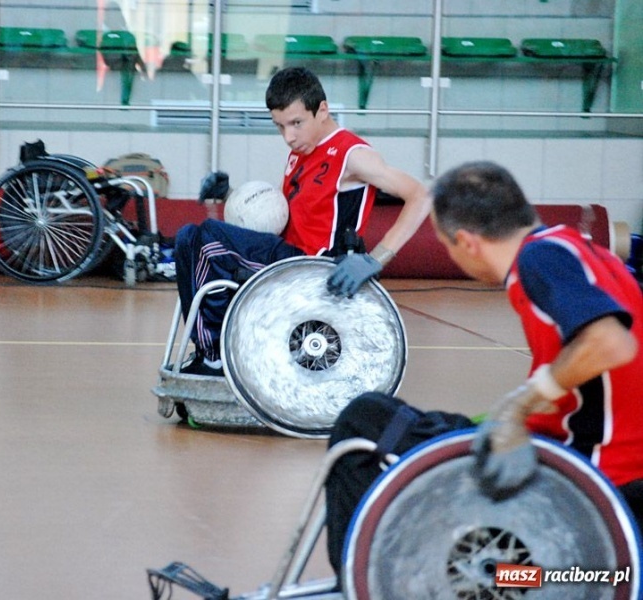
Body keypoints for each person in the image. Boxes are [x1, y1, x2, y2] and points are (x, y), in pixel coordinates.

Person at [324, 160, 643, 581]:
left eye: (446, 246)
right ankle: (499, 575)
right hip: (615, 471)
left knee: (363, 420)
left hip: (586, 477)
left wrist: (519, 405)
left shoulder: (538, 260)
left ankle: (363, 582)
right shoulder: (582, 249)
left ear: (467, 243)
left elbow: (611, 342)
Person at [174, 67, 430, 375]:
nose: (289, 137)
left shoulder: (352, 154)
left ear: (322, 110)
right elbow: (290, 217)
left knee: (208, 240)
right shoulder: (300, 152)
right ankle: (219, 349)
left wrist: (376, 259)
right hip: (287, 259)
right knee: (188, 237)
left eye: (296, 123)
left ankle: (215, 356)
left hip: (315, 269)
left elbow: (421, 196)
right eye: (280, 126)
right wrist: (230, 195)